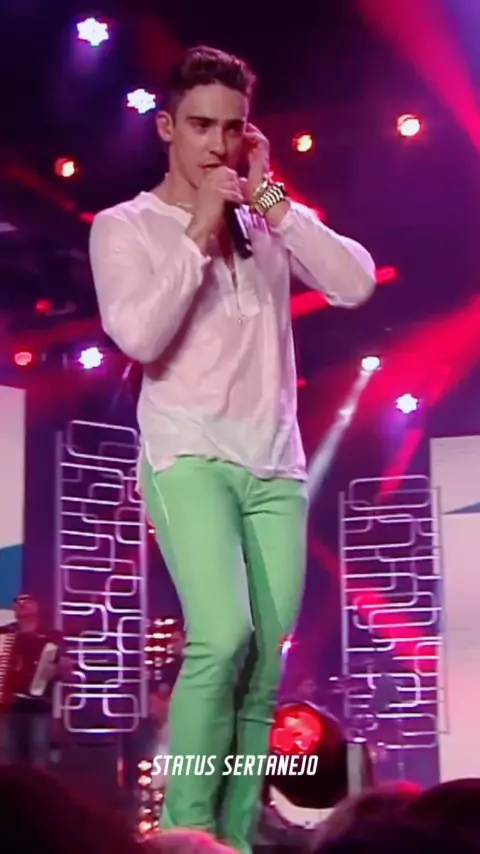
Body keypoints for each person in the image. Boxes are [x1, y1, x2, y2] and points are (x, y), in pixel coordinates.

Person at [89, 45, 376, 854]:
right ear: (167, 128)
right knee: (221, 637)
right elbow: (140, 337)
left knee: (264, 670)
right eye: (201, 126)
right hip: (187, 456)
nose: (218, 144)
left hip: (275, 465)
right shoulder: (126, 226)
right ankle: (185, 830)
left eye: (233, 127)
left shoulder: (266, 218)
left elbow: (354, 283)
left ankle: (237, 838)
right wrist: (201, 227)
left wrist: (271, 197)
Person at [0, 594, 72, 767]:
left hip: (39, 706)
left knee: (38, 758)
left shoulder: (51, 637)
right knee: (6, 757)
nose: (21, 604)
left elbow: (65, 672)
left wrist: (60, 669)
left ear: (37, 607)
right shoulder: (4, 634)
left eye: (27, 601)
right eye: (18, 602)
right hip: (7, 706)